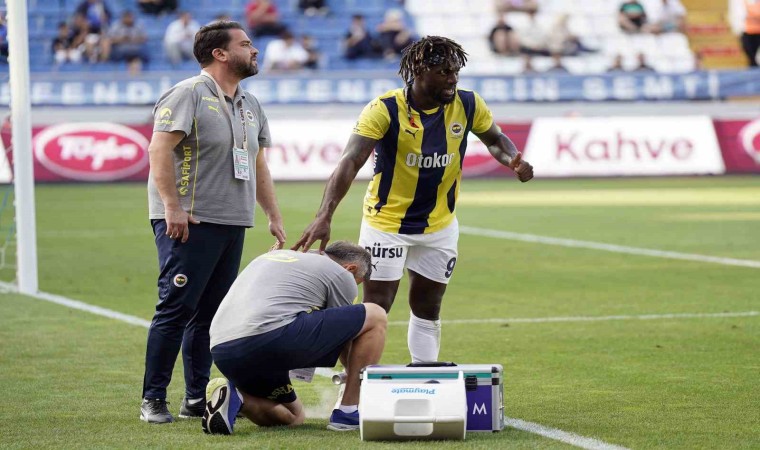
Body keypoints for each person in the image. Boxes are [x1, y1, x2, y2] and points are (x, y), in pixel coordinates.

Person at [292, 36, 533, 364]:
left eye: (455, 71)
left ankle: (425, 371)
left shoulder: (468, 103)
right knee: (377, 306)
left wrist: (512, 160)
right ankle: (355, 382)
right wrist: (325, 214)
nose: (453, 79)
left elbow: (494, 139)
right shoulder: (385, 109)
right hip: (387, 224)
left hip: (440, 226)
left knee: (428, 306)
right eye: (444, 72)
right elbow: (350, 160)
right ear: (419, 71)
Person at [141, 20, 286, 424]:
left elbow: (258, 164)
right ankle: (153, 398)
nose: (254, 50)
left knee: (210, 315)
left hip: (232, 220)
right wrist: (172, 206)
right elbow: (158, 149)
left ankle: (194, 397)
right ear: (220, 54)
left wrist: (272, 214)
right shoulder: (188, 93)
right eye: (245, 44)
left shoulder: (250, 103)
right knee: (175, 309)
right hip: (190, 219)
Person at [203, 242, 387, 434]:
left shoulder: (278, 256)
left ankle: (235, 397)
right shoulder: (341, 274)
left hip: (222, 350)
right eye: (356, 282)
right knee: (375, 315)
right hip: (266, 339)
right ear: (351, 268)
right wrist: (355, 373)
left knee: (294, 416)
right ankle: (348, 413)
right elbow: (344, 338)